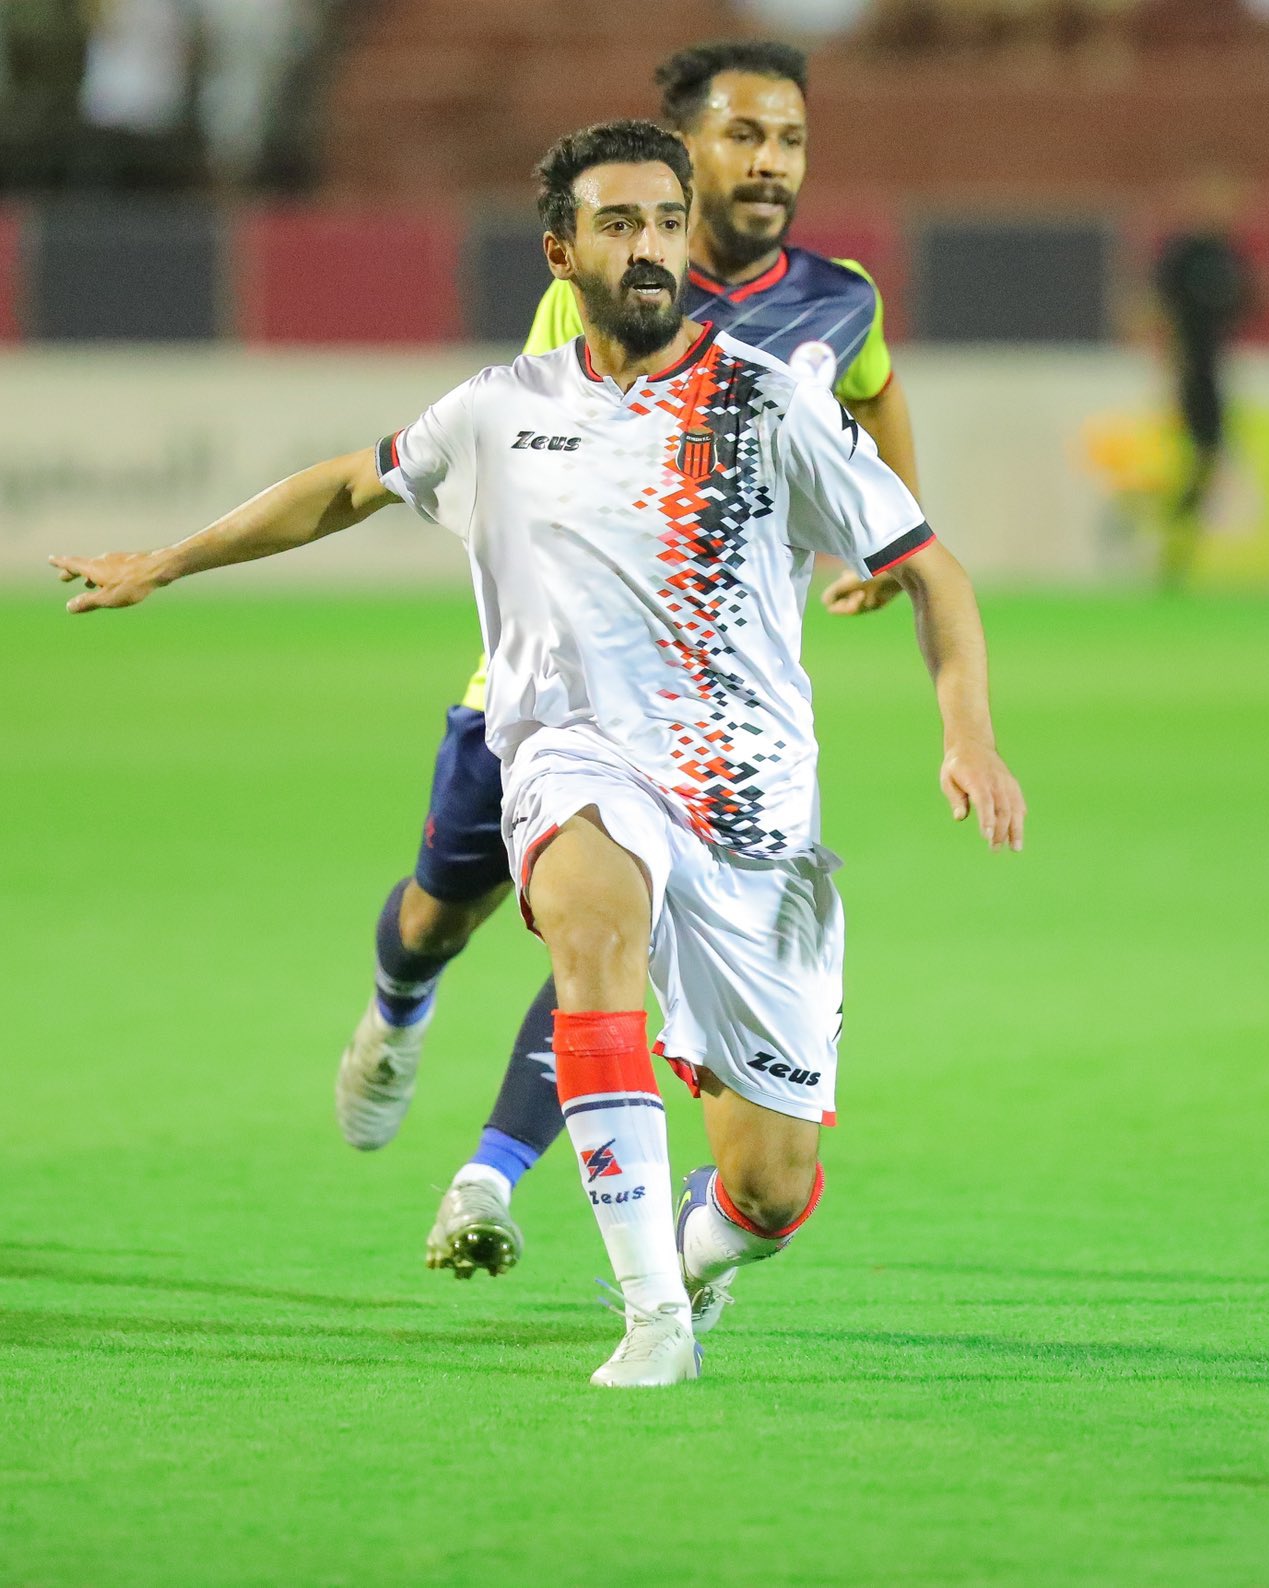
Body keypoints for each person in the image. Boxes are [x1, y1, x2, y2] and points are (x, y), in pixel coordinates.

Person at [53, 119, 1025, 1387]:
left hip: (752, 824)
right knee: (584, 919)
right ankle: (650, 1320)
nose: (650, 248)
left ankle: (694, 1260)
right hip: (579, 764)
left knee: (770, 1186)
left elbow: (928, 567)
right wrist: (168, 559)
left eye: (667, 223)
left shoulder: (767, 400)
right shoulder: (501, 410)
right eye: (619, 224)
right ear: (561, 251)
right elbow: (348, 484)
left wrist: (969, 735)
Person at [330, 40, 917, 1287]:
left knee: (612, 933)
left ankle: (492, 1175)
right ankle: (395, 1009)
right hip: (539, 698)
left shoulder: (838, 297)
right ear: (679, 149)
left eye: (790, 140)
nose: (767, 162)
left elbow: (872, 390)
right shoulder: (604, 285)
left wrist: (882, 528)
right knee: (438, 912)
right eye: (742, 136)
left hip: (686, 728)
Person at [1151, 173, 1251, 591]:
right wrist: (1168, 368)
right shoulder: (1184, 253)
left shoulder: (1228, 252)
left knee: (1207, 459)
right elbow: (1156, 307)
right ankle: (1170, 538)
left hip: (1214, 369)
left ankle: (1177, 543)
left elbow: (1241, 304)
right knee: (1195, 456)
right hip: (1188, 369)